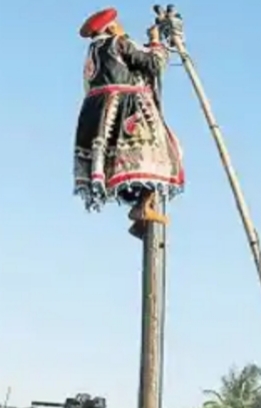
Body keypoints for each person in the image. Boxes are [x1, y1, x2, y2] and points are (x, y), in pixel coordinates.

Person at [73, 7, 185, 238]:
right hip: (126, 108)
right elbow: (154, 65)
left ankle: (141, 209)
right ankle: (143, 206)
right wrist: (156, 42)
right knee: (163, 154)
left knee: (125, 162)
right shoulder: (118, 43)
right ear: (112, 27)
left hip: (97, 114)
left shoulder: (94, 52)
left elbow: (132, 65)